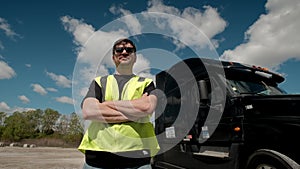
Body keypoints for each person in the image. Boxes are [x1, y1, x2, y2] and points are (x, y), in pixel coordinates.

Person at [78, 38, 160, 169]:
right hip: (98, 158)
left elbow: (147, 107)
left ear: (135, 57)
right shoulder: (99, 82)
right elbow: (89, 111)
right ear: (113, 57)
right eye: (119, 50)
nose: (124, 52)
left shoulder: (146, 83)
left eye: (129, 50)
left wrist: (105, 104)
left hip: (137, 158)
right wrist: (134, 112)